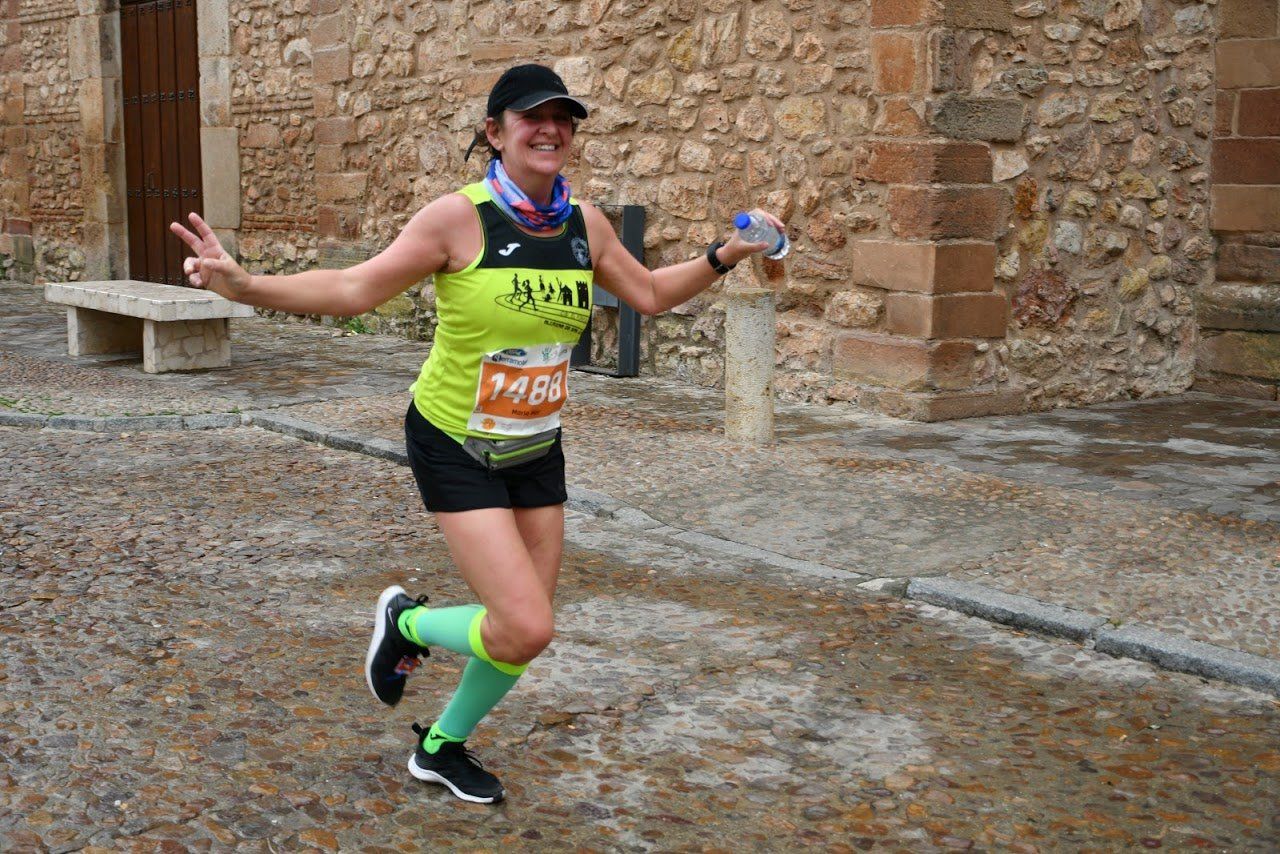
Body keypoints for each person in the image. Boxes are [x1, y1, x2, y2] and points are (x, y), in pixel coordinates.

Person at [170, 63, 785, 804]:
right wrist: (246, 286)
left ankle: (440, 746)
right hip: (454, 442)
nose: (550, 129)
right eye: (532, 117)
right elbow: (354, 288)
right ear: (495, 132)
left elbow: (650, 293)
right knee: (527, 625)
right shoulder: (456, 219)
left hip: (536, 444)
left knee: (522, 630)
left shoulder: (584, 224)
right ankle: (409, 624)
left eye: (562, 118)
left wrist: (726, 255)